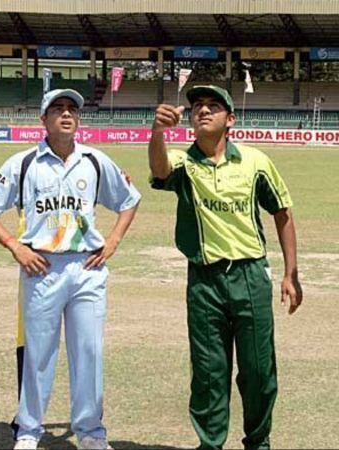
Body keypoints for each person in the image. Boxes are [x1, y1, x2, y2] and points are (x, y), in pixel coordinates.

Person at [0, 89, 141, 450]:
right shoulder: (23, 163)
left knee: (89, 353)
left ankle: (91, 433)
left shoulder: (95, 160)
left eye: (72, 110)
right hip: (41, 269)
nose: (66, 115)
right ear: (43, 120)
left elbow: (129, 200)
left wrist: (112, 242)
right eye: (58, 109)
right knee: (39, 355)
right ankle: (29, 432)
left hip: (87, 270)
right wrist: (14, 246)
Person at [148, 85, 303, 450]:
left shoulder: (255, 162)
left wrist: (290, 274)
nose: (202, 110)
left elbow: (282, 212)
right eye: (196, 106)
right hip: (204, 281)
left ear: (230, 119)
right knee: (208, 373)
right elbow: (158, 168)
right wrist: (157, 132)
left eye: (213, 106)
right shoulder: (184, 164)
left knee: (258, 371)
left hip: (250, 276)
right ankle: (210, 443)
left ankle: (258, 442)